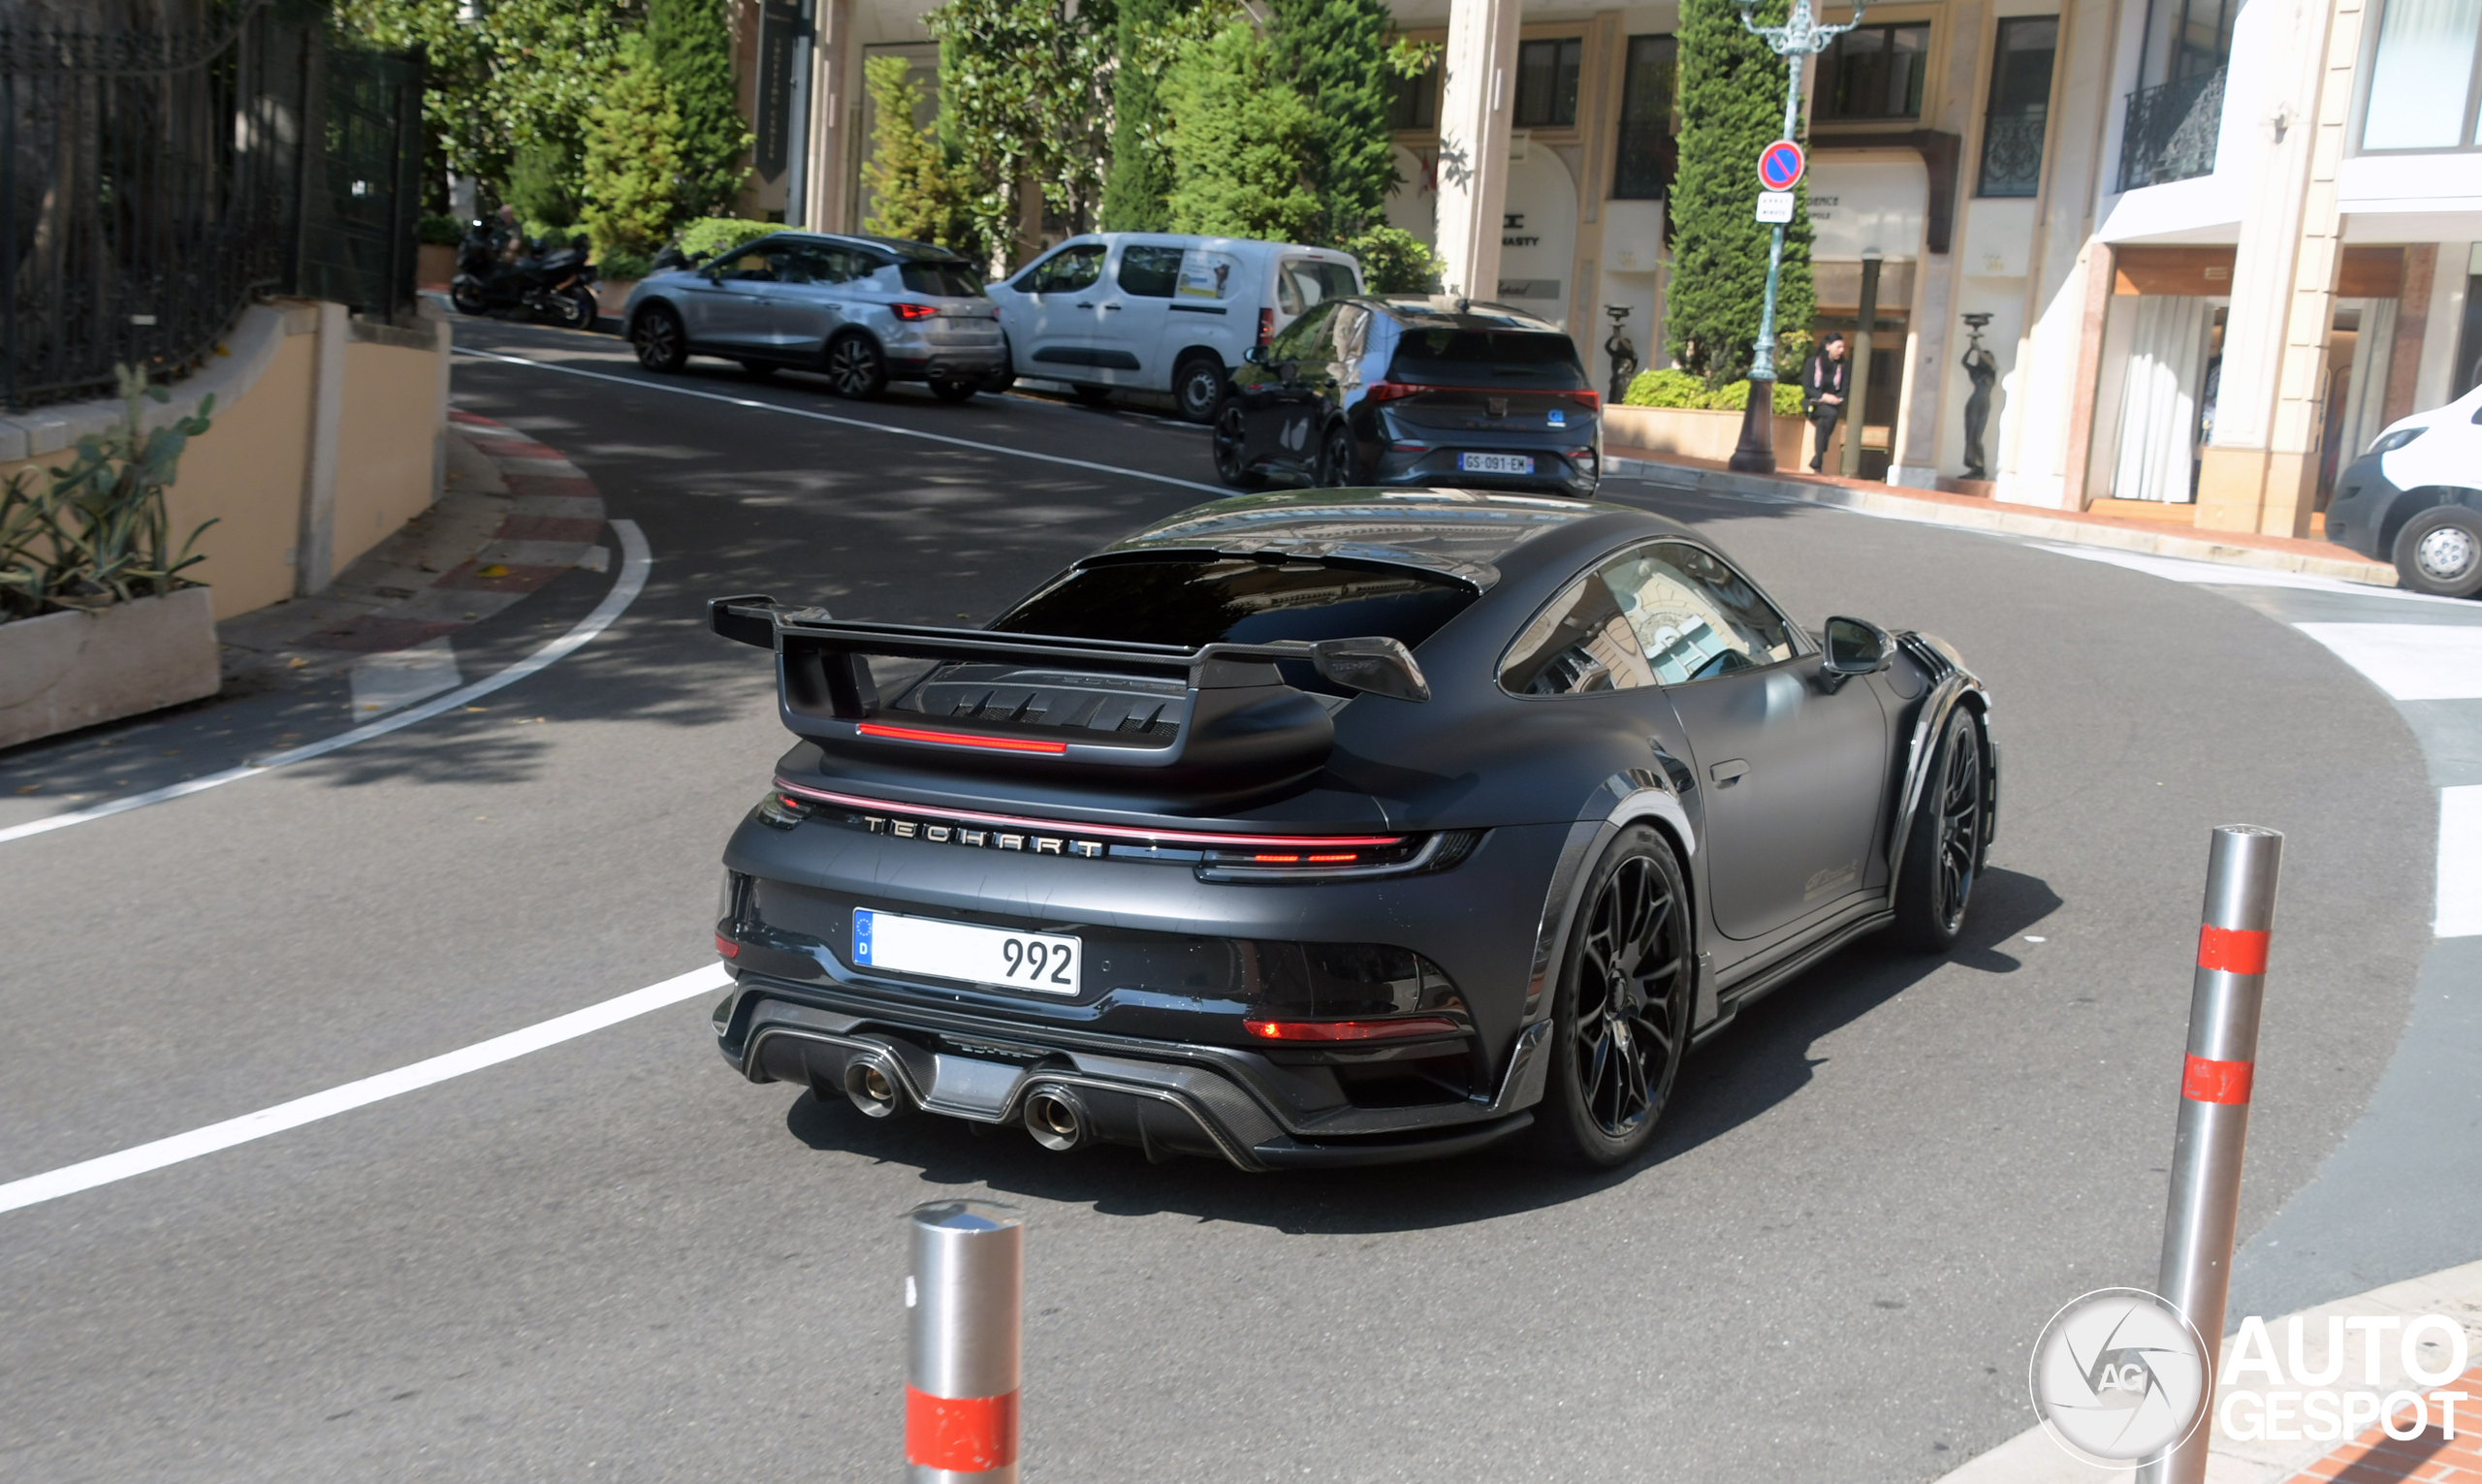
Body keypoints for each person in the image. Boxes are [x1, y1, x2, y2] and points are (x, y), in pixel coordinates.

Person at [1803, 333, 1851, 473]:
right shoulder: (1812, 362)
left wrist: (1835, 398)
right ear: (1828, 346)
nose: (1841, 350)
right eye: (1839, 347)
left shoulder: (1844, 366)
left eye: (1843, 347)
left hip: (1832, 404)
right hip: (1813, 403)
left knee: (1824, 421)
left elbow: (1844, 389)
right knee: (1830, 414)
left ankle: (1817, 461)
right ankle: (1820, 455)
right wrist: (1823, 396)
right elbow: (1807, 388)